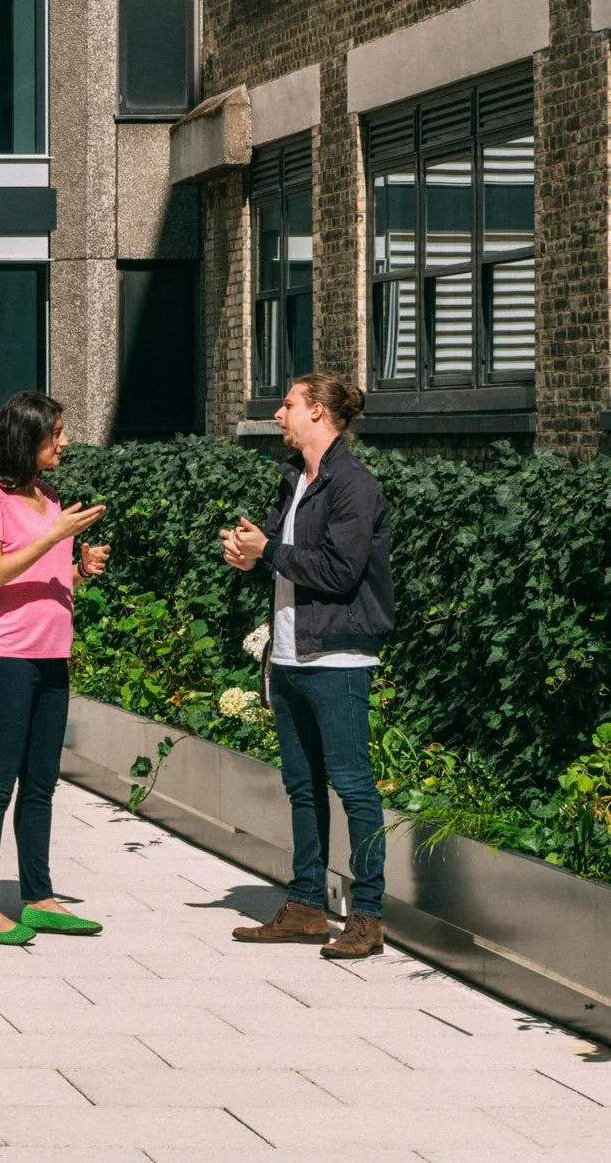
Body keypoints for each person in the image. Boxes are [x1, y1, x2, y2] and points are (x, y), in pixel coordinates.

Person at [221, 372, 394, 960]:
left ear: (318, 412)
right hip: (292, 652)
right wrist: (251, 552)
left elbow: (340, 573)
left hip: (340, 658)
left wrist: (269, 550)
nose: (278, 413)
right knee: (301, 786)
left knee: (352, 786)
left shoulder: (353, 486)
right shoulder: (295, 480)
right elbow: (285, 558)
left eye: (287, 403)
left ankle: (367, 915)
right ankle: (305, 906)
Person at [0, 393, 109, 947]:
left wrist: (78, 567)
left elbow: (44, 570)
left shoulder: (48, 496)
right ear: (27, 437)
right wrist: (54, 536)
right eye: (57, 433)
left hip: (51, 654)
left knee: (41, 784)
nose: (65, 441)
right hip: (1, 656)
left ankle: (39, 898)